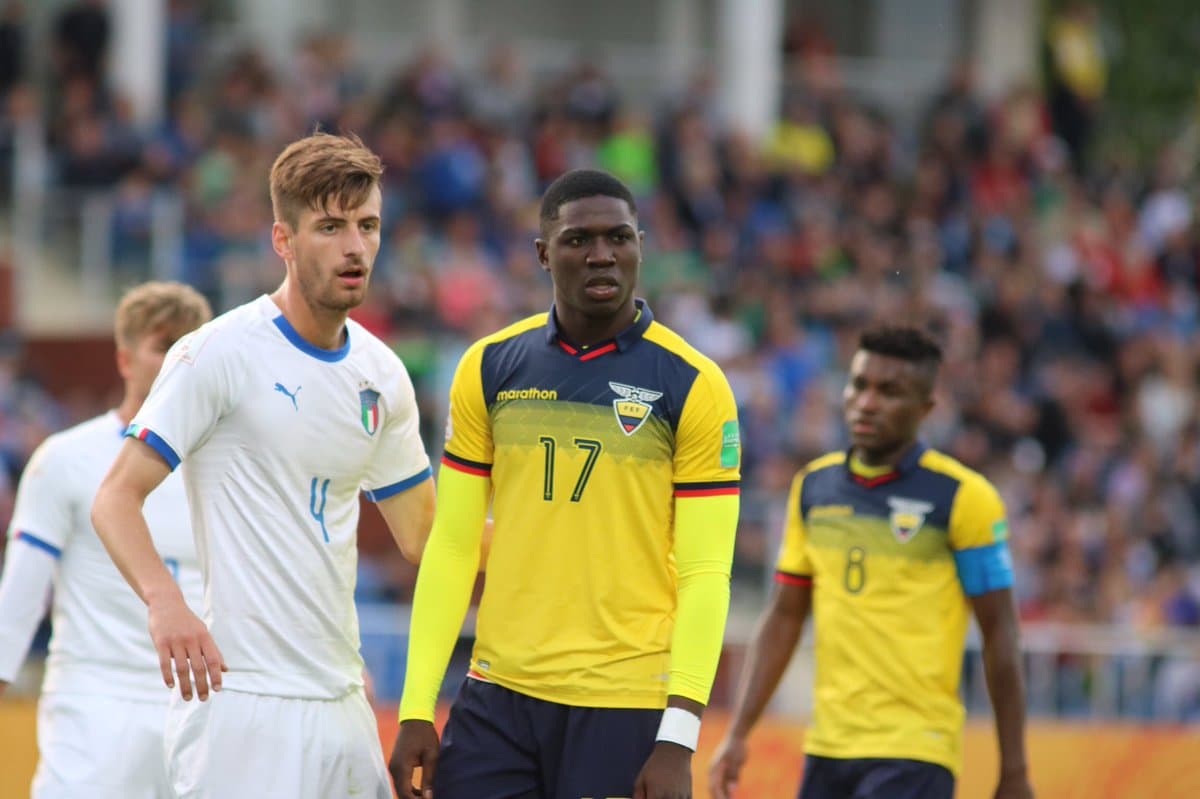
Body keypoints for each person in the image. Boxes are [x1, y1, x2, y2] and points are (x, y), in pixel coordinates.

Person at [91, 132, 436, 799]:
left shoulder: (382, 373)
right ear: (283, 240)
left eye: (367, 226)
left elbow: (426, 536)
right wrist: (166, 603)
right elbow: (116, 496)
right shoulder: (217, 352)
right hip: (239, 699)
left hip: (342, 701)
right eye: (330, 227)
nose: (355, 246)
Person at [390, 168, 742, 799]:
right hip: (497, 697)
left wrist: (679, 733)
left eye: (620, 237)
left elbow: (706, 571)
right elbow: (452, 545)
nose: (602, 254)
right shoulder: (490, 365)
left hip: (626, 705)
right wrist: (417, 705)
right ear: (543, 254)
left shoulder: (693, 384)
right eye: (579, 239)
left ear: (640, 247)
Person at [708, 324, 1034, 799]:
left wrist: (1015, 769)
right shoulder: (813, 489)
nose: (867, 401)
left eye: (890, 391)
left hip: (916, 748)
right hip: (827, 747)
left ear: (925, 409)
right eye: (860, 384)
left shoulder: (964, 499)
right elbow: (784, 616)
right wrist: (738, 732)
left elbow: (1001, 634)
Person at [0, 281, 211, 798]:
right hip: (97, 702)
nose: (179, 362)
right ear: (124, 359)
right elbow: (22, 592)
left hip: (205, 711)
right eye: (165, 346)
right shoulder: (66, 457)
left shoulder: (226, 468)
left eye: (192, 348)